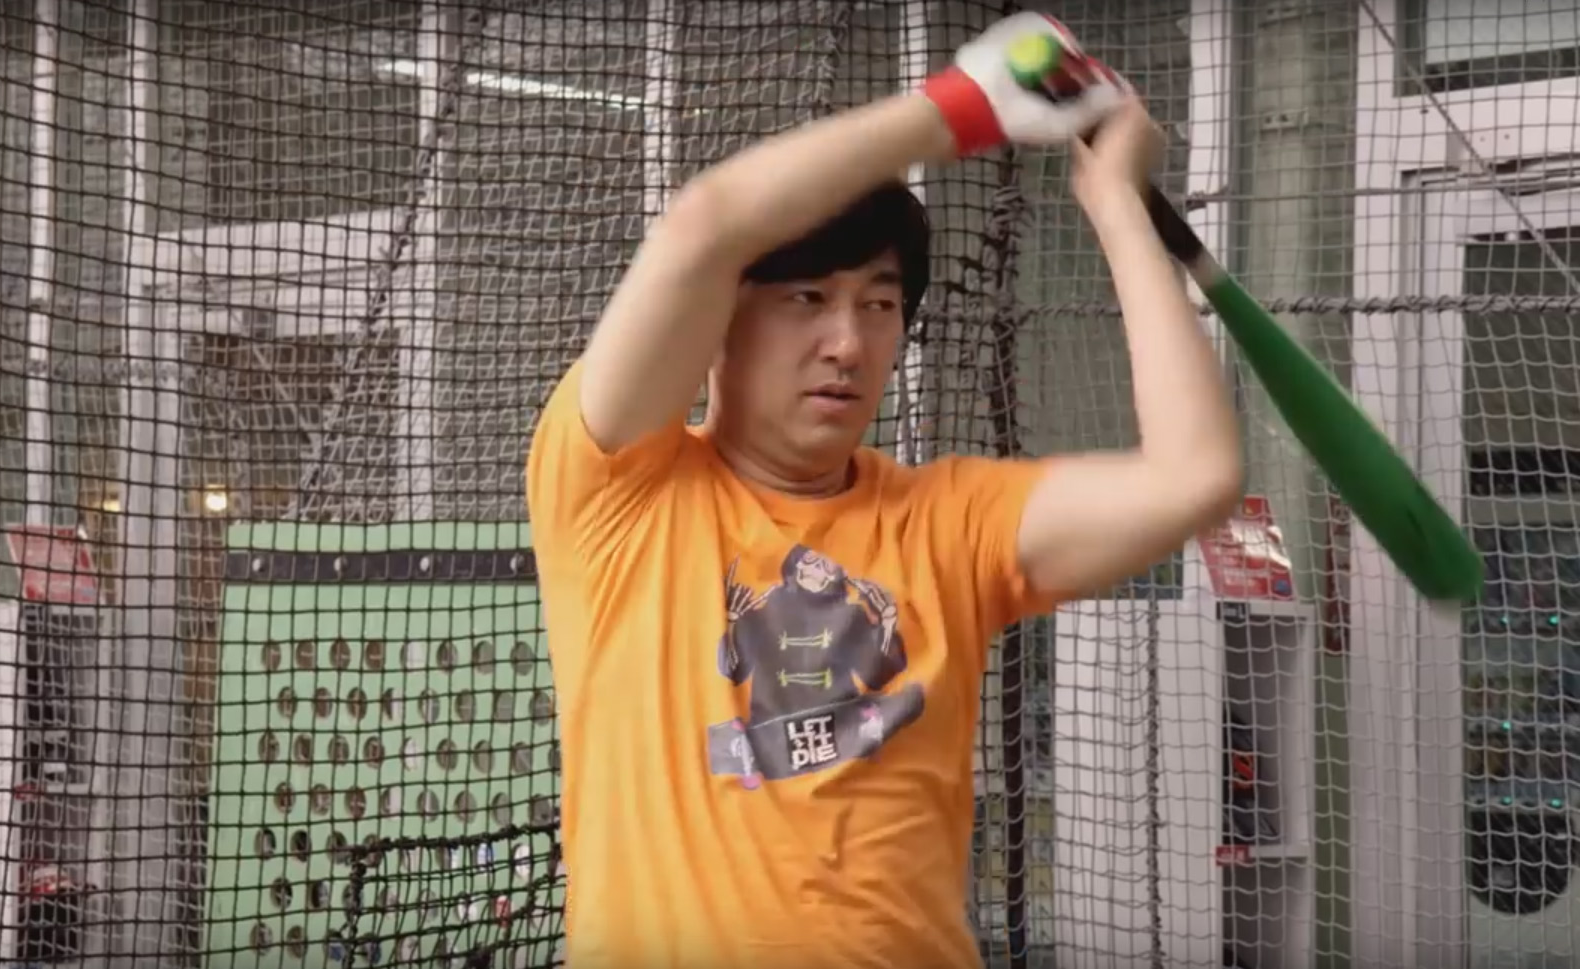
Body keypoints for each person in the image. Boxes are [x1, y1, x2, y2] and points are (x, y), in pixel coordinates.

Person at [525, 13, 1242, 969]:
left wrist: (1115, 202)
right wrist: (966, 107)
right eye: (806, 299)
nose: (849, 343)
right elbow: (705, 226)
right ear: (717, 324)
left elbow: (1195, 477)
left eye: (879, 303)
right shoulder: (621, 492)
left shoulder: (947, 521)